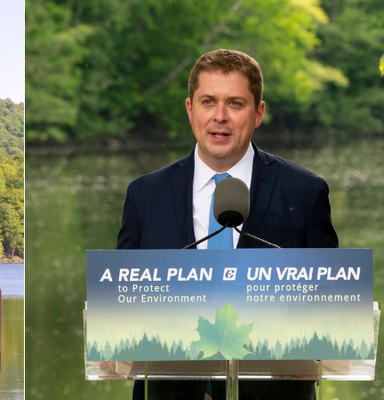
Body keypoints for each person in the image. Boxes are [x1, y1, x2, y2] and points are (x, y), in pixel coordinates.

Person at [116, 49, 338, 400]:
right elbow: (121, 305)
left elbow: (329, 303)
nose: (220, 117)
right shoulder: (144, 195)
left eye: (235, 104)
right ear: (190, 109)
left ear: (258, 112)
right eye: (208, 102)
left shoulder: (306, 191)